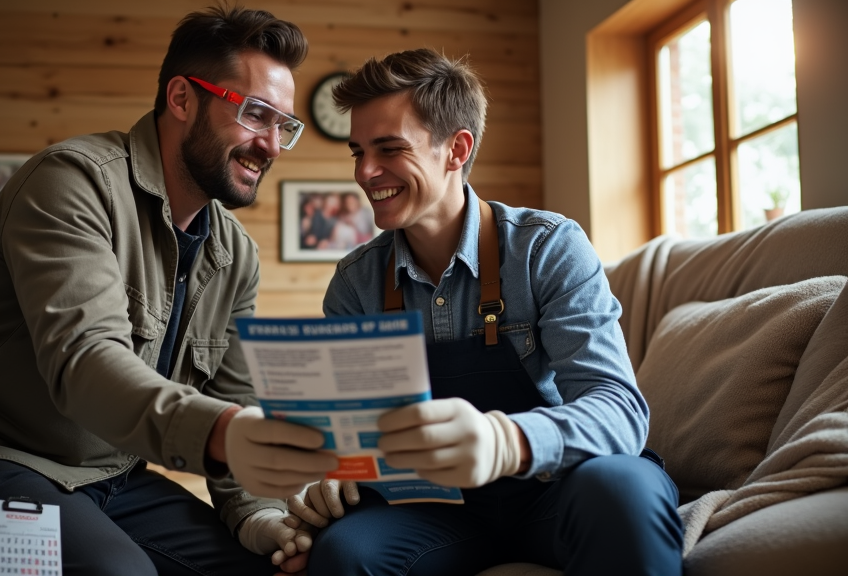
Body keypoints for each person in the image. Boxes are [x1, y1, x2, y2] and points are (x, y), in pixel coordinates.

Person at [0, 6, 337, 576]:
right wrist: (222, 431)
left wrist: (259, 518)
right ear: (182, 98)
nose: (270, 145)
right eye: (254, 113)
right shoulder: (72, 182)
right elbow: (87, 362)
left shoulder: (237, 256)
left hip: (111, 476)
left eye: (283, 126)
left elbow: (236, 400)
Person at [285, 48, 685, 576]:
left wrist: (504, 442)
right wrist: (339, 476)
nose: (364, 171)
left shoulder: (548, 249)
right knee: (344, 554)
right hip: (436, 513)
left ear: (457, 149)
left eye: (388, 148)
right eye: (357, 151)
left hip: (556, 490)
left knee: (622, 487)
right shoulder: (355, 285)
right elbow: (360, 440)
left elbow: (618, 409)